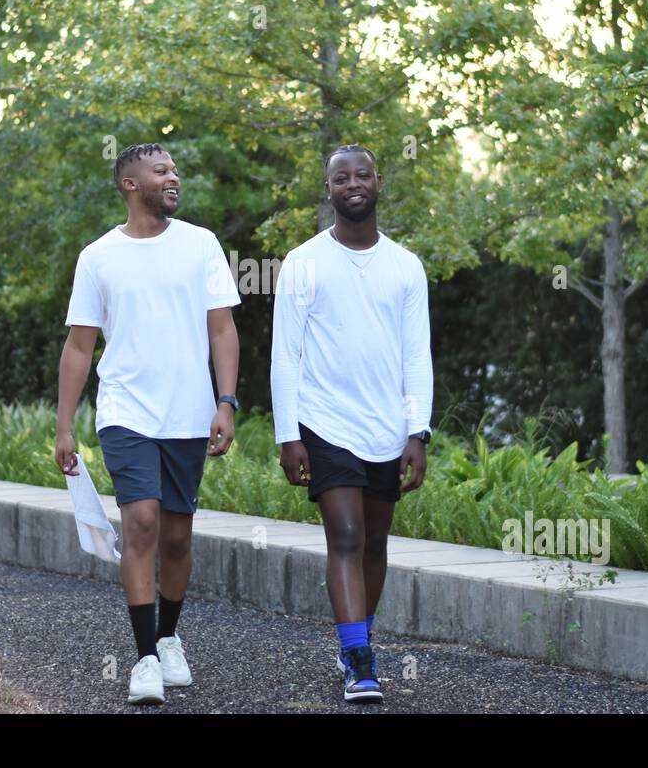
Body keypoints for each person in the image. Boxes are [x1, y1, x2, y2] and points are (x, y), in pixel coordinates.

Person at [55, 142, 241, 706]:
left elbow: (222, 330)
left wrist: (226, 402)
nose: (173, 177)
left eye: (175, 169)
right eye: (161, 171)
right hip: (125, 413)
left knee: (178, 537)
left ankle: (168, 639)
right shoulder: (98, 257)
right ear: (130, 184)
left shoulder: (201, 244)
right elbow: (79, 346)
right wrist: (64, 426)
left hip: (187, 413)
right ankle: (142, 661)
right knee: (140, 523)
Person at [270, 143, 433, 704]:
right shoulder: (303, 262)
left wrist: (419, 430)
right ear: (329, 189)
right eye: (342, 178)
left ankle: (354, 637)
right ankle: (360, 660)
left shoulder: (405, 265)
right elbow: (284, 354)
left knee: (375, 542)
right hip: (323, 419)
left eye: (363, 174)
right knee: (344, 535)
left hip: (387, 426)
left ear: (379, 181)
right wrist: (287, 434)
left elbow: (418, 355)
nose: (353, 184)